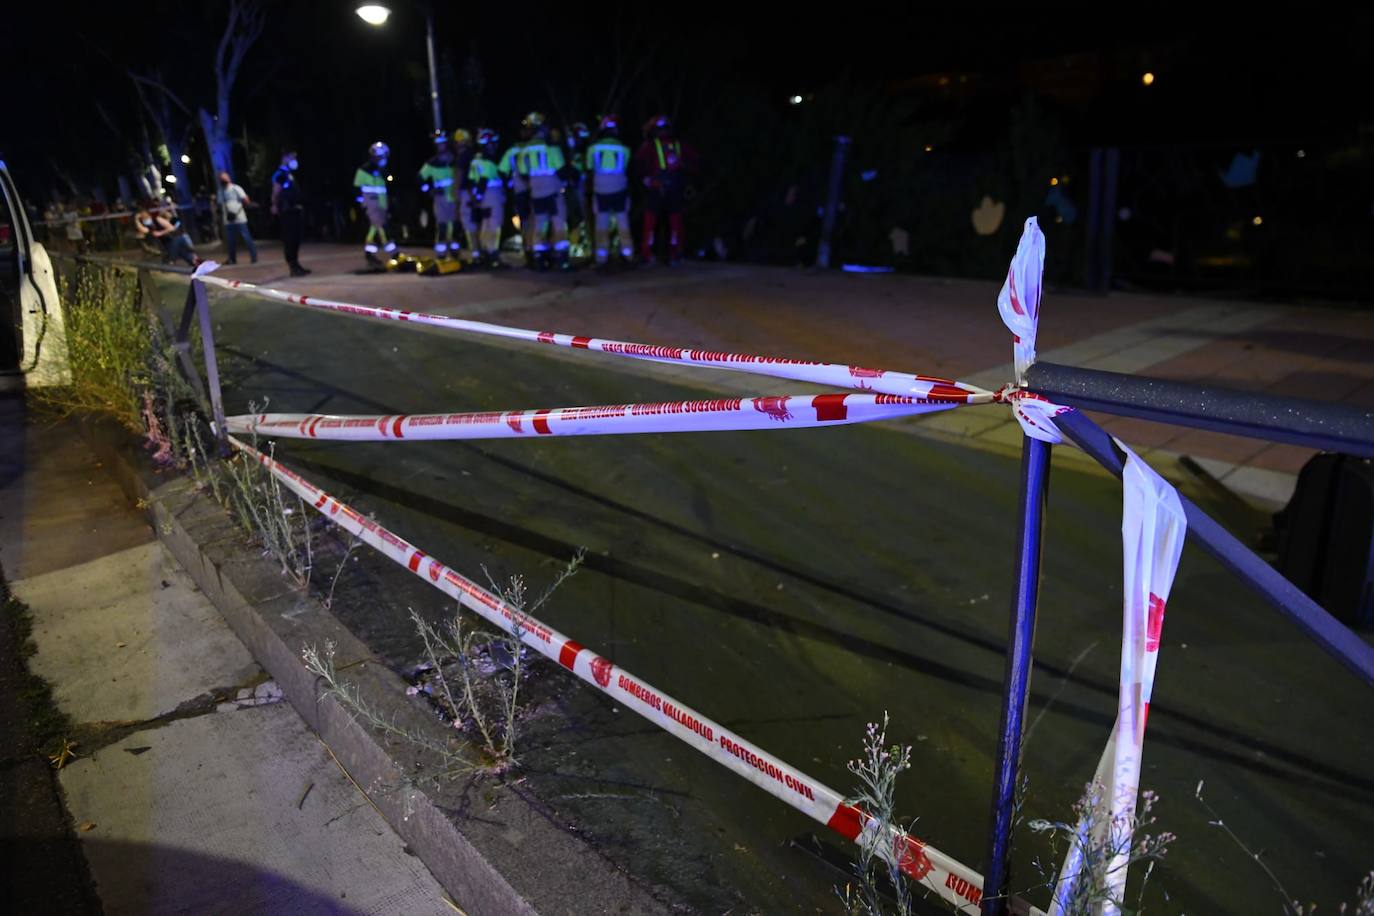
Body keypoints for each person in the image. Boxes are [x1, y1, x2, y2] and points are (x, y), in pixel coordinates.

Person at [634, 114, 698, 264]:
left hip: (665, 186)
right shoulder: (675, 144)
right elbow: (694, 162)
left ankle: (654, 253)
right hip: (665, 186)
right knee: (666, 220)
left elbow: (638, 164)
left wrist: (646, 180)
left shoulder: (653, 145)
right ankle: (668, 253)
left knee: (661, 221)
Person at [518, 112, 574, 271]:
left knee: (539, 224)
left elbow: (523, 173)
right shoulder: (551, 147)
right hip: (553, 192)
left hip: (536, 193)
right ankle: (561, 259)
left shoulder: (525, 150)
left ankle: (539, 259)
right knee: (558, 223)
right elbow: (561, 169)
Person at [585, 114, 634, 269]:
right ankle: (628, 255)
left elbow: (589, 168)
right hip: (619, 189)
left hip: (600, 190)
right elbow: (626, 167)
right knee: (623, 223)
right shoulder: (625, 149)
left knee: (601, 224)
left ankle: (601, 257)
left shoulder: (592, 149)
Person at [466, 128, 506, 267]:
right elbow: (483, 181)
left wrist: (476, 197)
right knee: (494, 225)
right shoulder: (488, 162)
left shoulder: (475, 161)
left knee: (485, 224)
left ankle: (485, 252)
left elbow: (471, 181)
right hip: (492, 196)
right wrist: (479, 195)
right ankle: (493, 254)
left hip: (484, 199)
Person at [354, 141, 397, 267]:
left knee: (374, 229)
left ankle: (369, 254)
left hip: (381, 204)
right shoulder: (364, 170)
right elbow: (357, 188)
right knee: (383, 228)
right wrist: (362, 204)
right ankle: (394, 254)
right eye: (381, 156)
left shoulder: (382, 171)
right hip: (372, 203)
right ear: (374, 156)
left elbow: (387, 186)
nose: (383, 159)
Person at [418, 130, 460, 260]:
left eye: (442, 143)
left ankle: (455, 253)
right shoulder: (432, 163)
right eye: (437, 143)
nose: (439, 146)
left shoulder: (455, 160)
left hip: (455, 198)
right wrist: (429, 189)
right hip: (440, 199)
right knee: (442, 227)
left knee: (455, 227)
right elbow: (420, 178)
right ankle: (441, 255)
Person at [271, 150, 310, 276]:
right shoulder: (280, 173)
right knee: (290, 238)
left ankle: (296, 264)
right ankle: (293, 266)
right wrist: (275, 205)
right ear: (285, 158)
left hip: (294, 209)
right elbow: (276, 192)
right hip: (287, 211)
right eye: (292, 157)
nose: (295, 160)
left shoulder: (289, 173)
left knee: (296, 238)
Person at [499, 118, 533, 264]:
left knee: (528, 221)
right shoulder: (533, 147)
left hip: (522, 190)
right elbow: (502, 171)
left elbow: (502, 171)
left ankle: (530, 250)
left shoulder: (513, 150)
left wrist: (509, 182)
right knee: (530, 221)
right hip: (531, 190)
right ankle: (531, 250)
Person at [135, 200, 198, 267]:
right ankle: (190, 258)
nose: (144, 217)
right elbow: (143, 230)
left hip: (171, 241)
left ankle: (177, 260)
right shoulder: (146, 226)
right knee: (180, 242)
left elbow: (172, 227)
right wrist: (136, 219)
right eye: (142, 216)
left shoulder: (157, 219)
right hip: (165, 245)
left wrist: (161, 232)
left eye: (145, 215)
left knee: (180, 241)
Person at [217, 171, 258, 264]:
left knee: (246, 237)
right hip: (228, 219)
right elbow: (219, 204)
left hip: (239, 217)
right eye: (221, 178)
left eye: (224, 177)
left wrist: (240, 207)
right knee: (230, 240)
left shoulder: (236, 188)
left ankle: (253, 256)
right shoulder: (220, 192)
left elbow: (246, 200)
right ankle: (232, 259)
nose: (223, 180)